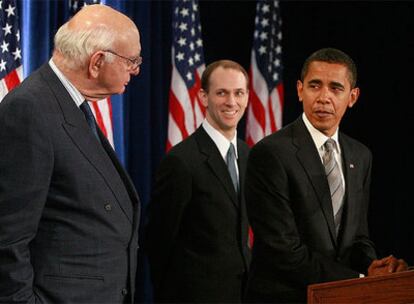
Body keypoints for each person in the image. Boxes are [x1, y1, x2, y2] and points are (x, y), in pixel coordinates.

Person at [0, 4, 142, 303]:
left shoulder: (68, 103)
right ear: (97, 62)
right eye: (131, 60)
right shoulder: (30, 109)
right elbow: (7, 236)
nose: (136, 70)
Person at [244, 48, 408, 303]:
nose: (323, 97)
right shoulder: (271, 153)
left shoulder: (360, 155)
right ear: (300, 90)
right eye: (314, 86)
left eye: (335, 88)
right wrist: (358, 280)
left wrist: (374, 267)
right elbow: (283, 251)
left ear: (352, 96)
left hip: (341, 296)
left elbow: (357, 236)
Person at [145, 60, 251, 303]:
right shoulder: (182, 160)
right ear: (203, 97)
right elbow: (159, 240)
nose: (231, 102)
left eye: (239, 93)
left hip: (242, 293)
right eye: (222, 93)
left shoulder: (248, 156)